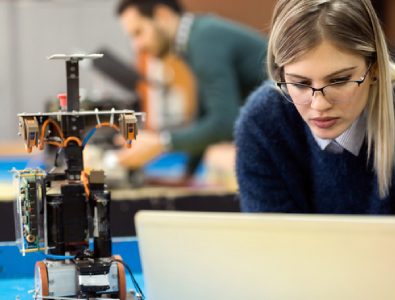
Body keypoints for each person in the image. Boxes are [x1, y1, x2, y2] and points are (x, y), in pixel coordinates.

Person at [235, 0, 395, 213]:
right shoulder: (262, 123)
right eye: (300, 84)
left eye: (339, 81)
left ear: (374, 69)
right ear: (280, 74)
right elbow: (274, 242)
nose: (319, 105)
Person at [116, 0, 268, 180]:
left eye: (138, 32)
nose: (137, 46)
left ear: (162, 15)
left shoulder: (204, 40)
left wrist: (161, 142)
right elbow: (204, 115)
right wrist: (186, 175)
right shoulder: (198, 36)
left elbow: (224, 123)